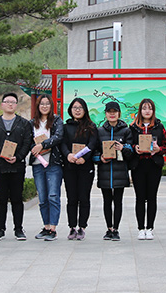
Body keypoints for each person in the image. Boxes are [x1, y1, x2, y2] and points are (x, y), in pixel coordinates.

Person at [0, 92, 33, 241]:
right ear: (2, 104)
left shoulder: (24, 123)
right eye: (7, 102)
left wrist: (18, 157)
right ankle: (0, 229)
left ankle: (18, 229)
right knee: (0, 199)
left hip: (17, 167)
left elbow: (27, 143)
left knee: (17, 199)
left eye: (13, 102)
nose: (10, 104)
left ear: (16, 105)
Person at [95, 101, 134, 241]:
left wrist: (123, 148)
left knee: (118, 201)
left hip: (120, 172)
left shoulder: (126, 131)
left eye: (114, 112)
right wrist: (100, 158)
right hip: (105, 172)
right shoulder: (99, 131)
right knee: (106, 201)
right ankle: (109, 229)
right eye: (109, 112)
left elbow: (131, 152)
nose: (112, 114)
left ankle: (116, 229)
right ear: (105, 114)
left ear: (119, 113)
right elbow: (94, 152)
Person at [130, 98, 166, 240]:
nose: (147, 111)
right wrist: (135, 148)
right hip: (138, 165)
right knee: (140, 198)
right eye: (144, 108)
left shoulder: (159, 126)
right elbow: (129, 143)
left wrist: (159, 149)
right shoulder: (134, 127)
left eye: (150, 108)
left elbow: (165, 145)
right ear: (140, 110)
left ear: (153, 111)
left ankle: (150, 228)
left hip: (153, 165)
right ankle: (141, 228)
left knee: (152, 197)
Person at [60, 97, 98, 241]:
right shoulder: (66, 127)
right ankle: (72, 227)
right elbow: (62, 143)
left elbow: (92, 144)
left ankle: (82, 227)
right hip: (69, 166)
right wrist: (68, 155)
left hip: (85, 167)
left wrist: (85, 158)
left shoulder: (91, 126)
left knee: (84, 197)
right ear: (70, 110)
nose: (77, 110)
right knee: (72, 198)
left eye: (80, 108)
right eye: (75, 107)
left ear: (85, 110)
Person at [29, 95, 64, 241]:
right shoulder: (32, 123)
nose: (44, 106)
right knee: (42, 198)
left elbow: (58, 137)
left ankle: (53, 229)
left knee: (53, 196)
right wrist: (34, 148)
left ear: (51, 106)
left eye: (47, 103)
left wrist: (42, 145)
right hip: (38, 164)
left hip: (53, 163)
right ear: (37, 106)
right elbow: (27, 140)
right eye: (42, 104)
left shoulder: (57, 120)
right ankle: (46, 226)